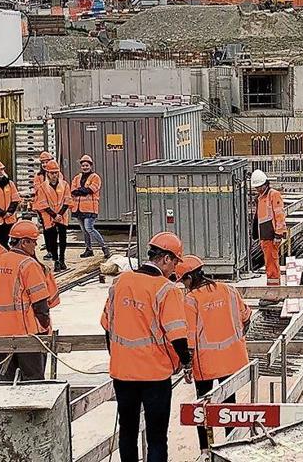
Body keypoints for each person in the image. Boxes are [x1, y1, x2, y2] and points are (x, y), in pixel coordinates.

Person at [100, 231, 192, 462]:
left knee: (128, 431)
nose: (175, 270)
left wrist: (116, 356)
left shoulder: (120, 282)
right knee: (157, 436)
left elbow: (107, 325)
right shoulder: (166, 290)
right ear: (166, 259)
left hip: (123, 374)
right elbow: (178, 335)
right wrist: (186, 362)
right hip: (154, 375)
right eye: (175, 263)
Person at [175, 255, 252, 453]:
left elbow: (189, 338)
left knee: (203, 409)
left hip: (206, 365)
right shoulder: (228, 289)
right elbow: (246, 317)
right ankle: (232, 448)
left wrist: (187, 365)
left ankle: (206, 450)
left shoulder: (191, 300)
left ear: (189, 278)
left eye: (183, 281)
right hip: (233, 361)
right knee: (229, 407)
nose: (184, 286)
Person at [0, 220, 52, 381]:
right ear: (24, 242)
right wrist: (44, 326)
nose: (35, 246)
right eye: (33, 242)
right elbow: (41, 303)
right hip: (25, 333)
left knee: (5, 379)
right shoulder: (28, 265)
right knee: (33, 379)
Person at [33, 160, 72, 272]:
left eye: (56, 172)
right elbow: (42, 203)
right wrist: (54, 215)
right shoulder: (43, 187)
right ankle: (56, 260)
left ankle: (62, 259)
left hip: (62, 215)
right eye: (52, 173)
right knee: (52, 239)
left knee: (63, 238)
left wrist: (59, 214)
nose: (54, 175)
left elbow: (67, 200)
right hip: (49, 216)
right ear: (47, 174)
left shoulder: (64, 185)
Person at [251, 169, 286, 287]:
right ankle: (272, 288)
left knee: (272, 264)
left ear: (265, 184)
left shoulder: (273, 194)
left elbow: (279, 216)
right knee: (269, 263)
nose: (258, 189)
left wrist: (278, 235)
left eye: (259, 187)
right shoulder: (260, 198)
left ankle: (274, 291)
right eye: (256, 188)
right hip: (265, 236)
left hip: (271, 236)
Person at [71, 155, 110, 259]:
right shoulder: (77, 177)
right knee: (84, 230)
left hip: (90, 208)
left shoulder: (95, 177)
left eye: (87, 165)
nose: (85, 167)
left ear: (91, 166)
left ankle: (104, 247)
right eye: (83, 165)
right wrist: (83, 190)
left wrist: (81, 190)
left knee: (89, 228)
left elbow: (91, 190)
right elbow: (73, 190)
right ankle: (88, 249)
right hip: (78, 209)